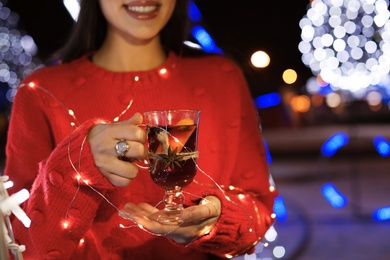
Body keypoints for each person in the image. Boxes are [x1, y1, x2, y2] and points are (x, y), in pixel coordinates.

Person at [5, 0, 278, 259]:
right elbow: (20, 246)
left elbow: (259, 212)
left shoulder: (222, 78)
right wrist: (78, 163)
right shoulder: (41, 92)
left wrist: (217, 220)